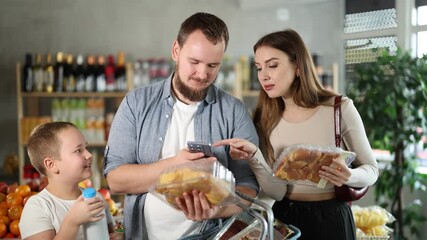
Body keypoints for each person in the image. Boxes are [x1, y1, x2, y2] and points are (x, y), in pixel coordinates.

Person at [103, 12, 259, 240]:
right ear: (176, 51)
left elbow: (249, 187)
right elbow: (115, 179)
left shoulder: (233, 111)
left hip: (211, 234)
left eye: (212, 65)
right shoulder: (136, 103)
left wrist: (218, 209)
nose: (203, 74)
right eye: (194, 62)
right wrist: (174, 165)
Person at [214, 29, 379, 240]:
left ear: (298, 66)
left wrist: (350, 176)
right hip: (284, 220)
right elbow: (277, 192)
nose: (264, 75)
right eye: (258, 68)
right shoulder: (265, 117)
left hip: (331, 220)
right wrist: (254, 156)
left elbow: (372, 170)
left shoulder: (339, 108)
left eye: (272, 65)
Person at [19, 122, 122, 240]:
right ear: (51, 164)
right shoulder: (37, 207)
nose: (89, 155)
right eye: (78, 150)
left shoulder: (97, 198)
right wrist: (72, 221)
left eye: (86, 148)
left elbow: (109, 234)